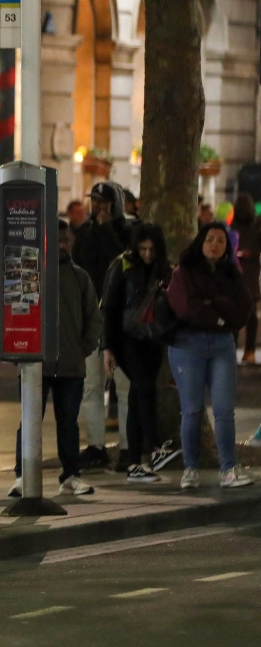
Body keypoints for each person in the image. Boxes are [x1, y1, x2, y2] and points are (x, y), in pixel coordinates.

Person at [7, 221, 100, 497]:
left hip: (70, 362)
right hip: (36, 361)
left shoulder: (80, 277)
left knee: (68, 422)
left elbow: (93, 318)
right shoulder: (29, 273)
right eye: (56, 240)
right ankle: (23, 475)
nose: (61, 245)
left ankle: (70, 474)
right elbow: (15, 312)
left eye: (65, 240)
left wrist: (83, 348)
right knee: (29, 419)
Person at [167, 222, 254, 490]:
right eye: (209, 239)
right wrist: (221, 314)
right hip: (187, 345)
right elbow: (187, 309)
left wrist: (212, 304)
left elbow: (244, 310)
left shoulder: (232, 274)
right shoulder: (183, 273)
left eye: (220, 240)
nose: (214, 245)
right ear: (200, 243)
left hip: (222, 346)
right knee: (191, 411)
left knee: (225, 411)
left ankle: (228, 468)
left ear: (227, 245)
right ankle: (190, 468)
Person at [102, 223, 183, 482]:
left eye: (151, 249)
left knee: (139, 398)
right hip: (126, 340)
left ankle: (135, 464)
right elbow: (110, 308)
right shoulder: (123, 266)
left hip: (152, 339)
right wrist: (107, 348)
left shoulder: (165, 270)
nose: (147, 254)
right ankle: (156, 447)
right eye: (143, 248)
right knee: (144, 388)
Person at [72, 181, 134, 469]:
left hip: (119, 322)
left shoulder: (127, 231)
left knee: (123, 387)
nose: (97, 208)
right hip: (91, 319)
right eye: (94, 201)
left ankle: (127, 446)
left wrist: (108, 227)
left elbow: (120, 263)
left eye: (103, 202)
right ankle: (96, 445)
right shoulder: (85, 232)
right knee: (90, 385)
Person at [231, 193, 260, 365]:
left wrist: (251, 253)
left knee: (243, 313)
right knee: (245, 314)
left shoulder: (252, 227)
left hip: (245, 272)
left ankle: (246, 349)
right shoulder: (253, 227)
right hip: (244, 272)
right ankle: (247, 350)